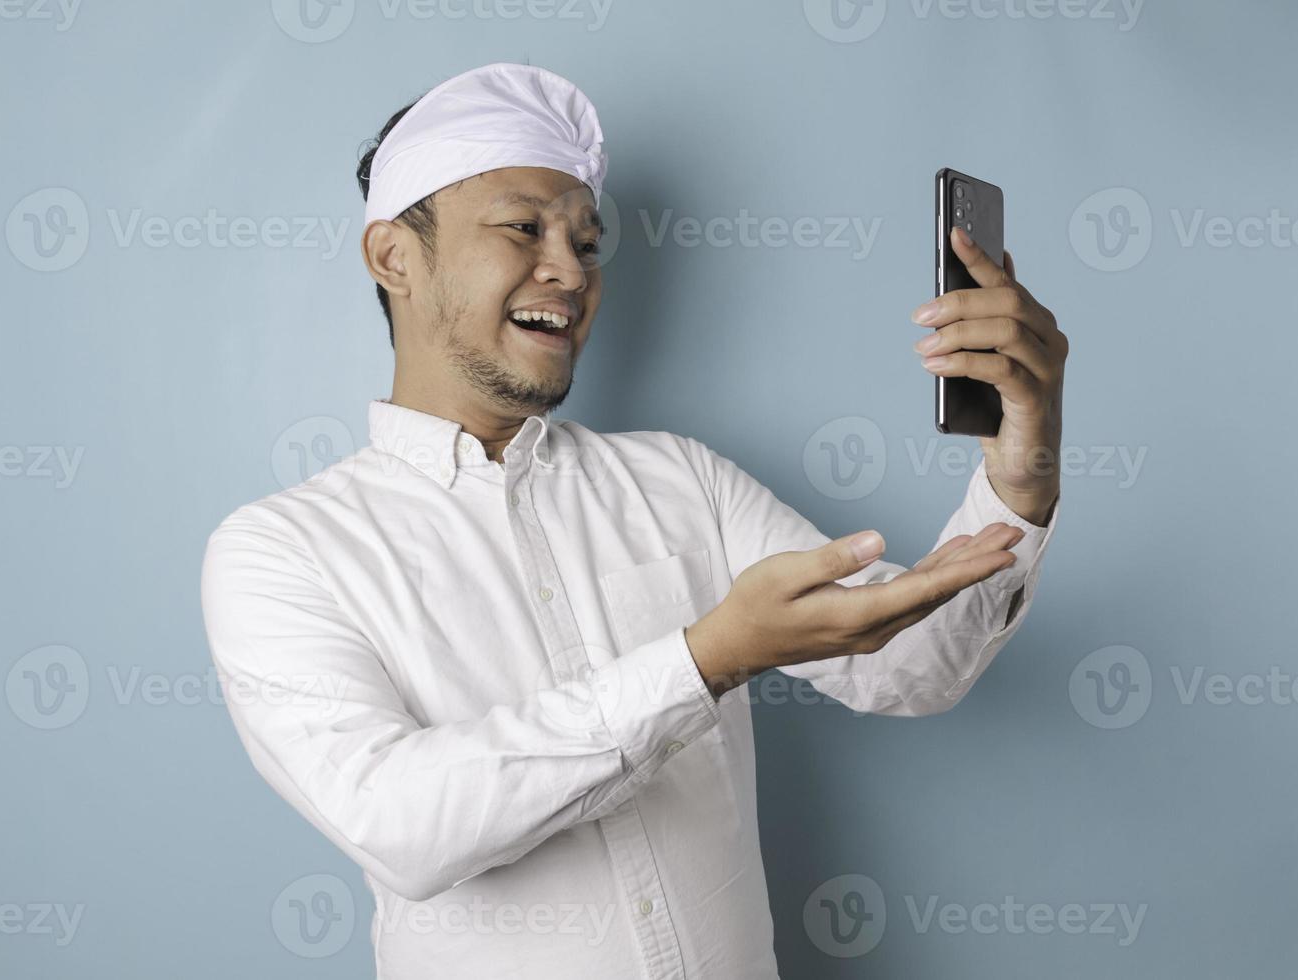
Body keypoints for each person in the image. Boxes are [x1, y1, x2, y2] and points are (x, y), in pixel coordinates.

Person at [200, 61, 1067, 979]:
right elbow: (403, 826)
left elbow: (912, 668)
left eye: (586, 241)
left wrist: (1024, 469)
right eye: (524, 227)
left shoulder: (679, 478)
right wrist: (706, 659)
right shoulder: (280, 553)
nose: (569, 270)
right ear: (393, 257)